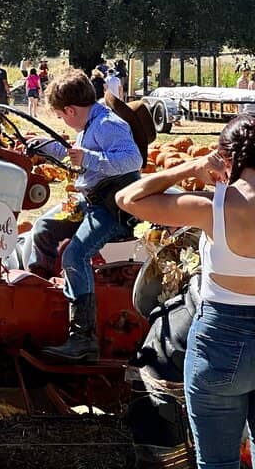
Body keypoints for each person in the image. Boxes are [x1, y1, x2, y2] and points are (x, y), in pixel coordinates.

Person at [115, 114, 255, 469]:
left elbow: (127, 197)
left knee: (217, 463)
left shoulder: (212, 207)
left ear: (226, 158)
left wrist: (190, 167)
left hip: (220, 342)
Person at [25, 71, 146, 362]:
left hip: (112, 208)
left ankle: (83, 338)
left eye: (60, 115)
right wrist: (44, 145)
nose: (62, 120)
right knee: (42, 228)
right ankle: (40, 299)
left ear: (70, 110)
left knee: (75, 256)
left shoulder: (108, 124)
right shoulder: (89, 122)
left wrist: (89, 159)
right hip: (88, 200)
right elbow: (75, 153)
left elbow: (133, 160)